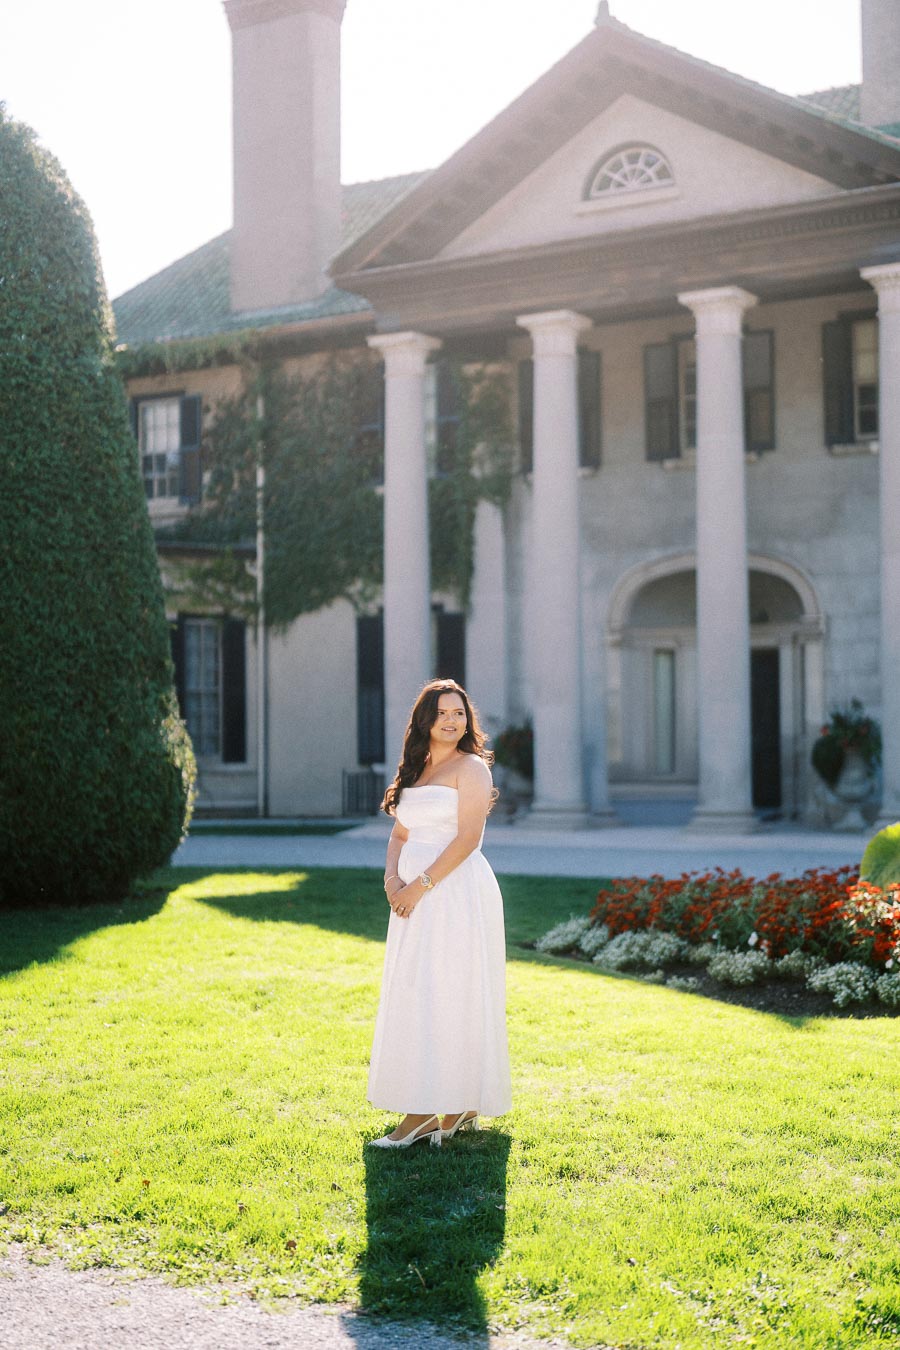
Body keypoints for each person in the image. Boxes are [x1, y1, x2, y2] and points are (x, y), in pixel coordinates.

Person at [367, 678, 512, 1148]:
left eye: (460, 713)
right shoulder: (419, 767)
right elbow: (399, 836)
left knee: (450, 990)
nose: (453, 721)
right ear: (425, 721)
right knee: (417, 991)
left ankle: (429, 1112)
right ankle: (450, 1106)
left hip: (453, 894)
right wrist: (393, 882)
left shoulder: (472, 769)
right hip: (410, 898)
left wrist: (421, 887)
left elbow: (469, 839)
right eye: (443, 713)